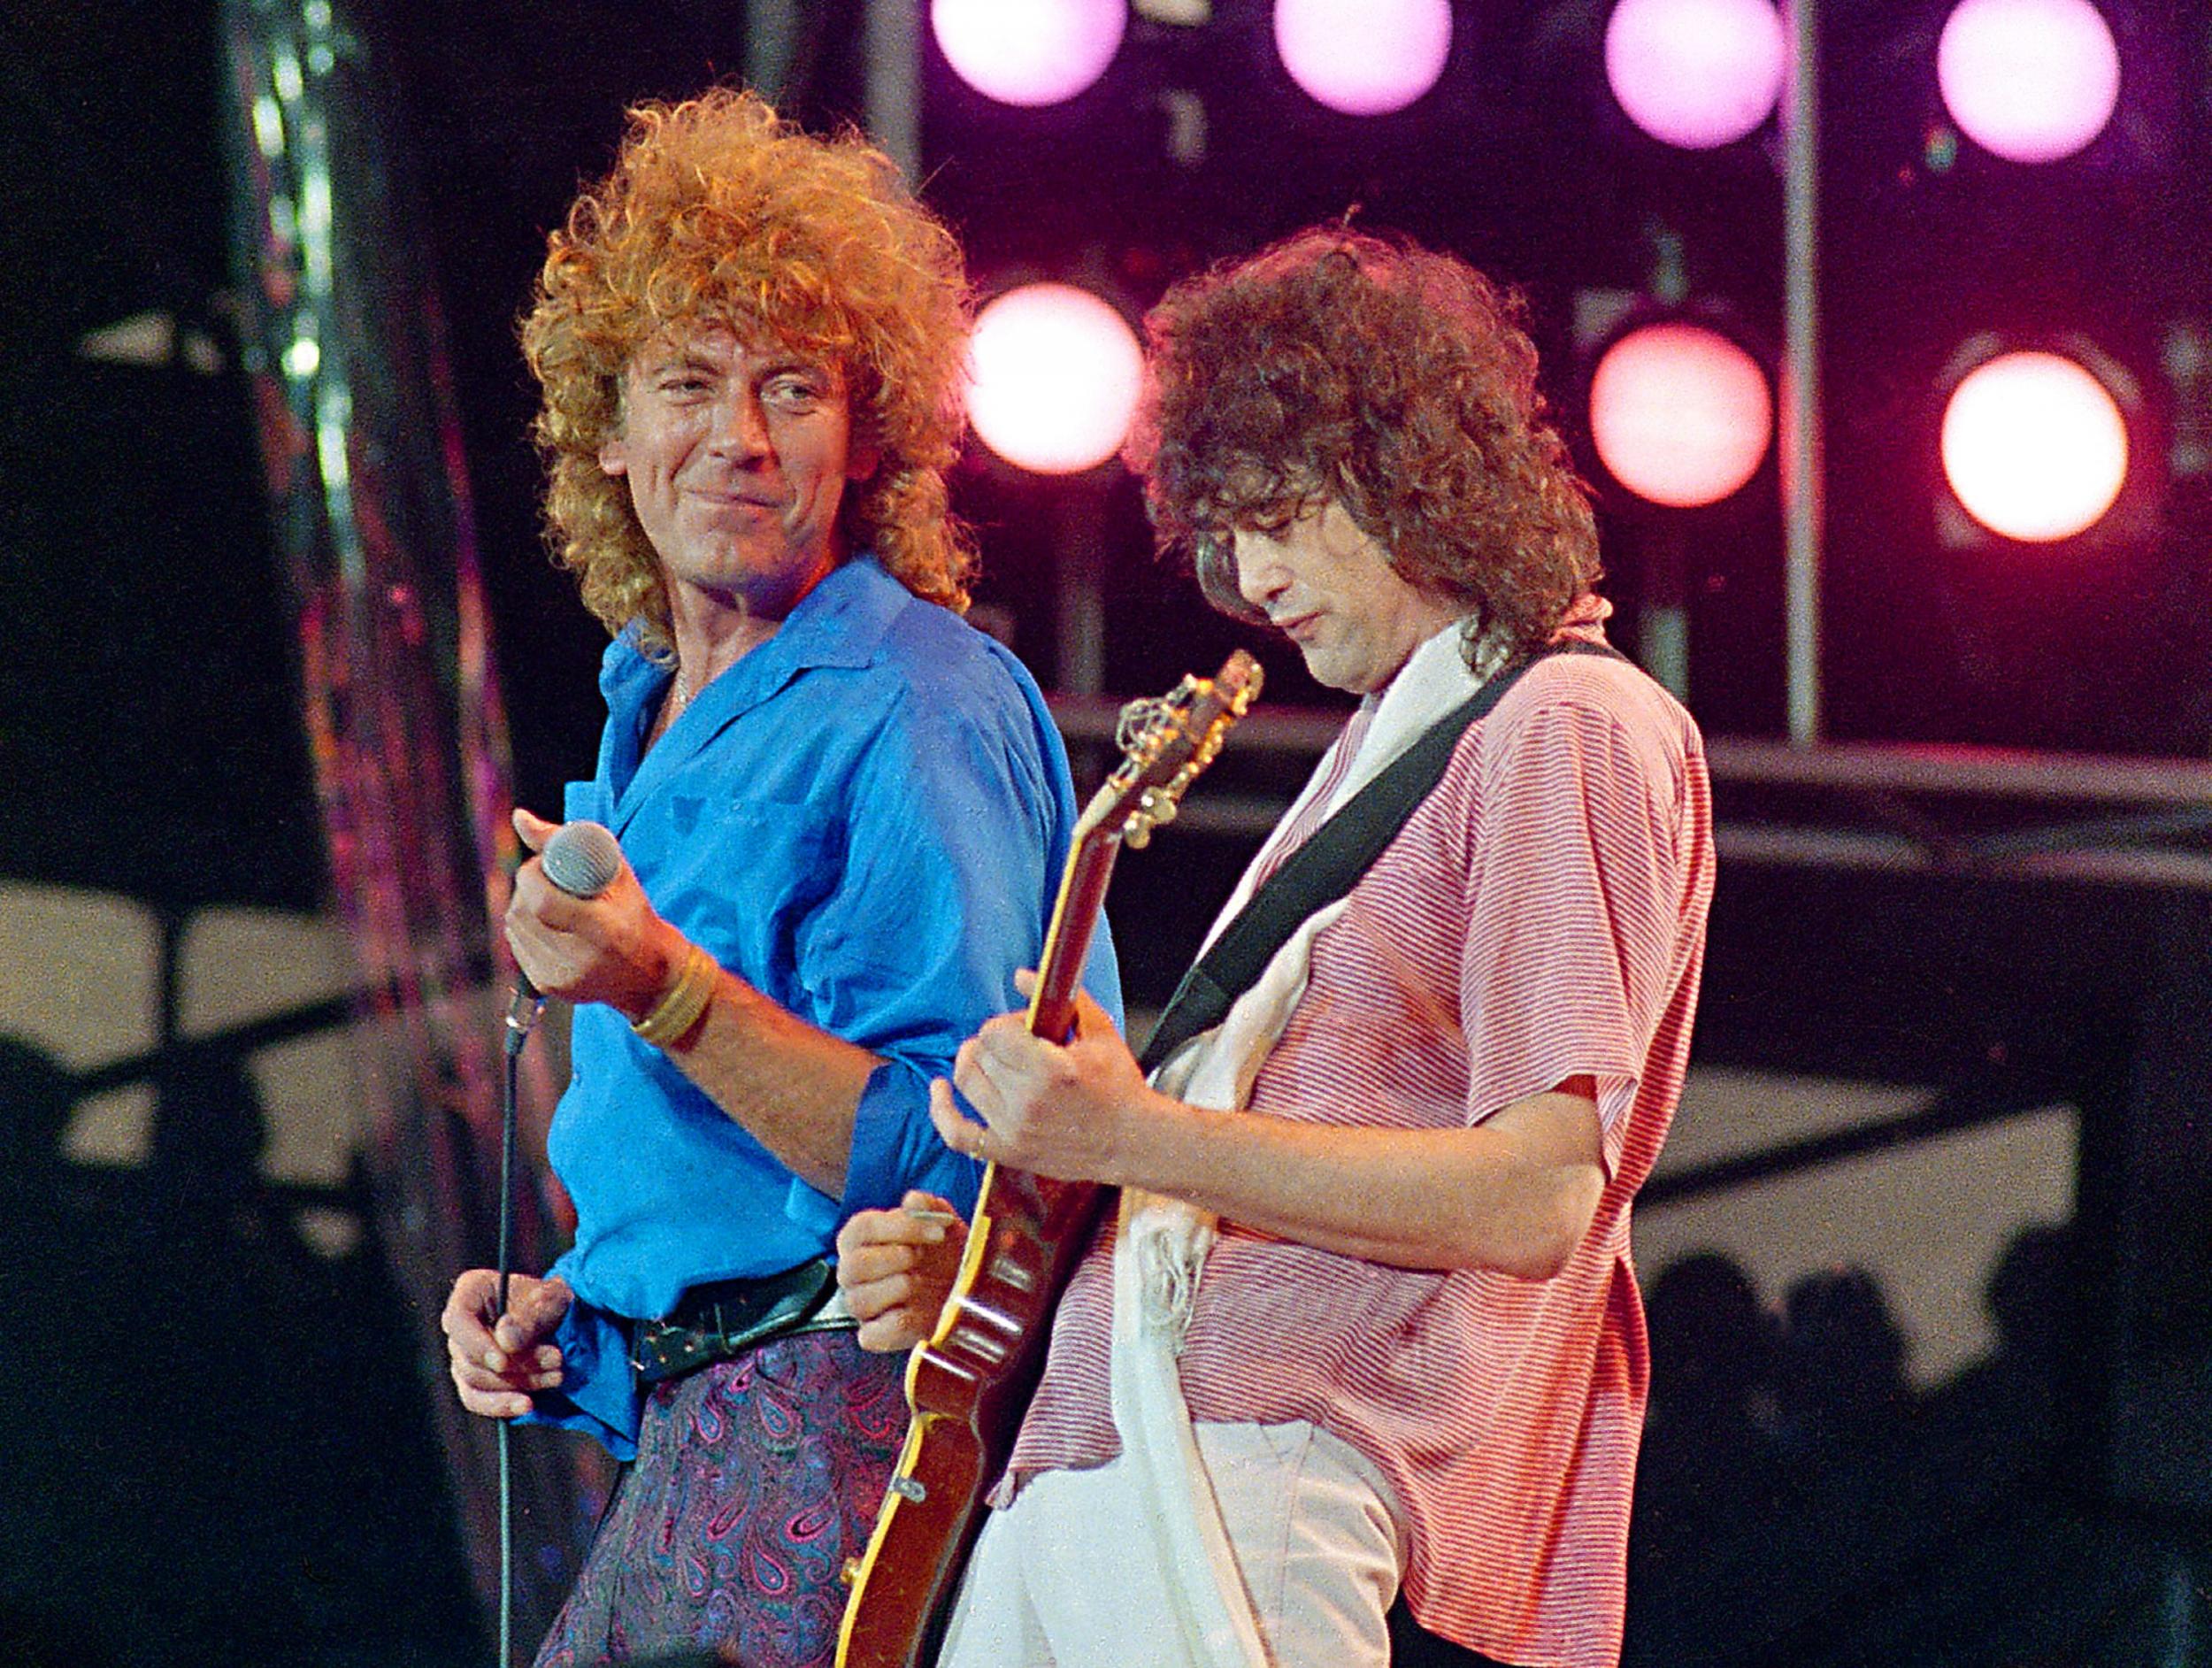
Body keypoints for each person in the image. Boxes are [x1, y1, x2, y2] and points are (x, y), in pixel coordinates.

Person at [838, 227, 1715, 1668]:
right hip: (1109, 1447)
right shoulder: (1390, 740)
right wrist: (1035, 1221)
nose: (1247, 575)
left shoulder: (1567, 721)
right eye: (1223, 532)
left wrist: (1137, 1134)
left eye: (1281, 513)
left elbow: (1537, 1194)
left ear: (1405, 467)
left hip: (1266, 1461)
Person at [438, 88, 1120, 1668]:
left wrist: (660, 985)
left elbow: (976, 1158)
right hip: (689, 1432)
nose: (738, 437)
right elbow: (724, 1192)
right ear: (606, 431)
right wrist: (577, 1326)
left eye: (791, 387)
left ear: (866, 430)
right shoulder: (641, 701)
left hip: (833, 1437)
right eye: (688, 382)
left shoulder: (917, 699)